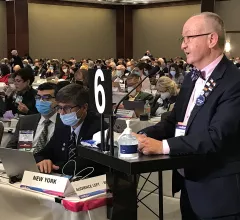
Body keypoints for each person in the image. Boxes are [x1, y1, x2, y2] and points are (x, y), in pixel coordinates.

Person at [134, 12, 240, 220]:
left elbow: (216, 136)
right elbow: (174, 121)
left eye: (189, 37)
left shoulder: (234, 82)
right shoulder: (192, 78)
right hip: (189, 187)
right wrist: (143, 134)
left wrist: (163, 147)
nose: (183, 45)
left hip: (219, 195)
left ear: (212, 39)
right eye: (182, 39)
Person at [34, 84, 109, 175]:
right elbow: (43, 153)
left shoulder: (98, 128)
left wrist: (53, 166)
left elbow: (82, 165)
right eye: (59, 108)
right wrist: (43, 161)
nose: (62, 113)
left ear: (84, 107)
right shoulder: (63, 126)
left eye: (67, 108)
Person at [6, 83, 60, 152]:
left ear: (57, 100)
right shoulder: (26, 121)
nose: (41, 101)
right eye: (38, 97)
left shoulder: (64, 124)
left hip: (49, 161)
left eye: (46, 98)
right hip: (25, 159)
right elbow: (11, 147)